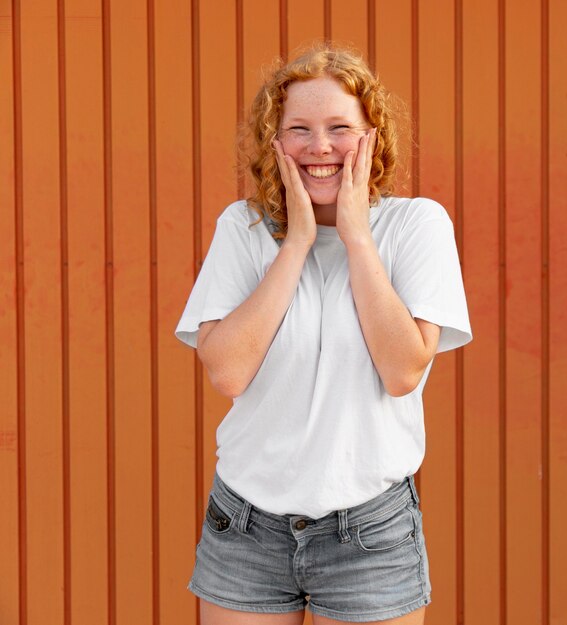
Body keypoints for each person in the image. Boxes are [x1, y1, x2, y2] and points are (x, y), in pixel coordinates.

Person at [175, 43, 472, 625]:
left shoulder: (417, 225)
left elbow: (402, 370)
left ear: (372, 137)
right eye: (298, 129)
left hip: (369, 533)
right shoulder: (244, 228)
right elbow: (229, 370)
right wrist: (298, 243)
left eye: (341, 127)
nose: (320, 147)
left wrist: (357, 237)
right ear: (274, 141)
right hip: (245, 528)